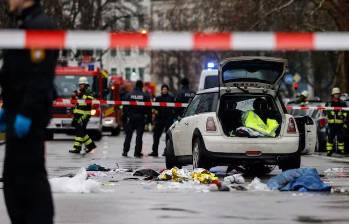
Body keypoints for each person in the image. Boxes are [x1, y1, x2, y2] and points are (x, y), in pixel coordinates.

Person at [0, 0, 58, 223]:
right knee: (14, 183)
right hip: (17, 112)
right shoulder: (24, 25)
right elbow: (14, 73)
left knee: (29, 182)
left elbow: (40, 77)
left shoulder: (40, 26)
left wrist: (26, 112)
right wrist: (8, 107)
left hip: (28, 118)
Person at [122, 80, 151, 158]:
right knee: (139, 137)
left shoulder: (128, 95)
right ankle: (137, 152)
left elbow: (125, 108)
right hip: (141, 118)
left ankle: (125, 151)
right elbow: (148, 109)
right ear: (142, 86)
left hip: (130, 118)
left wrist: (125, 118)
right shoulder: (145, 96)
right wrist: (149, 119)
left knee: (128, 136)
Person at [69, 77, 97, 154]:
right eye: (80, 84)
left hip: (84, 114)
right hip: (78, 114)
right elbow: (74, 102)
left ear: (85, 84)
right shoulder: (80, 91)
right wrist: (74, 96)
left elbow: (89, 99)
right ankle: (82, 147)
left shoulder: (88, 91)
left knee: (80, 131)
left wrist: (79, 94)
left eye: (82, 84)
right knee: (81, 131)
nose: (80, 86)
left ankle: (86, 146)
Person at [149, 84, 175, 157]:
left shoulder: (171, 98)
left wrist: (171, 115)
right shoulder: (158, 98)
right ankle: (154, 151)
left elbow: (174, 108)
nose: (164, 90)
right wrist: (156, 114)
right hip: (159, 119)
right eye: (163, 89)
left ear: (167, 90)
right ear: (161, 90)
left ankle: (167, 151)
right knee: (156, 136)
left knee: (168, 137)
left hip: (168, 119)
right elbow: (154, 108)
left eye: (165, 89)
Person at [325, 87, 347, 156]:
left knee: (341, 137)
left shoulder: (343, 103)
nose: (337, 95)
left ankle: (341, 150)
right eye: (335, 94)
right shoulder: (329, 103)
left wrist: (343, 116)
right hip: (331, 124)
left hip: (340, 124)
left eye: (338, 94)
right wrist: (329, 114)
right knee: (330, 138)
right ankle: (329, 151)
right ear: (333, 95)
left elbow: (346, 111)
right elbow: (325, 111)